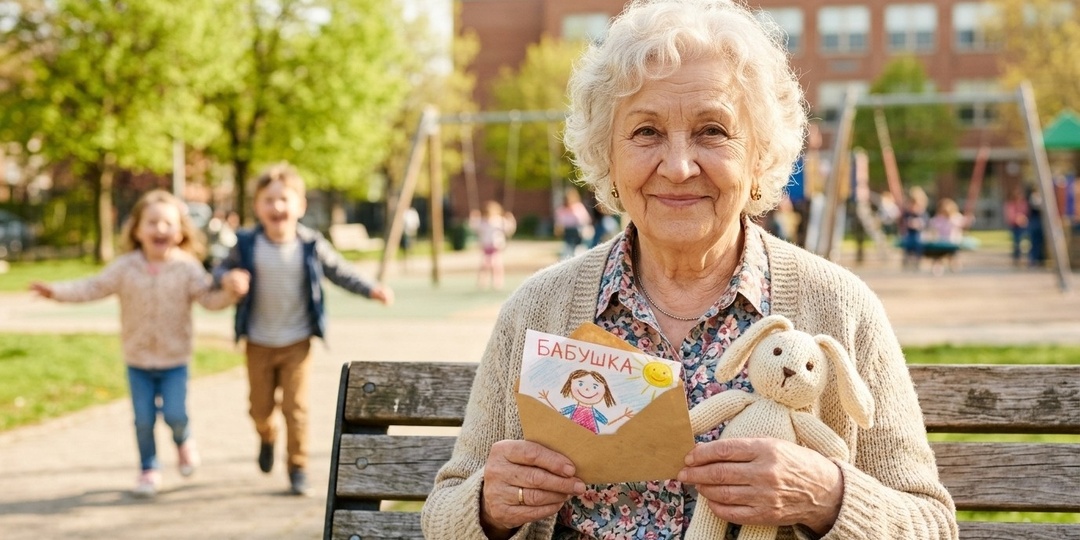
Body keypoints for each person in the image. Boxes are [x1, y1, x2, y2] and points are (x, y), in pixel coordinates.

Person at [420, 1, 957, 538]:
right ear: (608, 156)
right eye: (646, 132)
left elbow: (931, 524)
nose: (678, 167)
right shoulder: (537, 310)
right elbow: (444, 515)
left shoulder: (840, 307)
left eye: (712, 131)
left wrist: (824, 496)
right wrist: (489, 507)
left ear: (760, 155)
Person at [30, 190, 244, 498]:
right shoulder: (125, 267)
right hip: (138, 361)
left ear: (180, 231)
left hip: (174, 360)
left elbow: (209, 300)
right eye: (152, 222)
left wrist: (231, 294)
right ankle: (149, 468)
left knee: (175, 415)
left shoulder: (187, 268)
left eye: (168, 223)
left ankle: (183, 440)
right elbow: (92, 287)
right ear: (137, 230)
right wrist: (56, 292)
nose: (160, 229)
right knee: (143, 420)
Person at [214, 163, 394, 496]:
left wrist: (371, 288)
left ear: (301, 206)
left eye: (285, 199)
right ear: (257, 207)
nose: (277, 206)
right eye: (269, 200)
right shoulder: (247, 243)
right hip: (258, 341)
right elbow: (219, 269)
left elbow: (339, 270)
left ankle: (297, 467)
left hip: (297, 341)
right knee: (259, 408)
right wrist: (228, 278)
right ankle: (267, 435)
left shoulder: (310, 243)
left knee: (296, 407)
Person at [469, 200, 517, 290]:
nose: (489, 216)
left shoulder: (499, 221)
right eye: (487, 214)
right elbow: (474, 227)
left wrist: (511, 220)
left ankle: (498, 282)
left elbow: (509, 230)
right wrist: (474, 217)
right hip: (486, 246)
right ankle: (482, 281)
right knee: (484, 264)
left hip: (496, 246)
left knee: (496, 264)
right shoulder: (482, 222)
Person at [554, 188, 593, 260]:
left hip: (579, 232)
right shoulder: (562, 210)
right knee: (568, 251)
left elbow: (585, 220)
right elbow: (559, 224)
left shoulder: (578, 207)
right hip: (568, 233)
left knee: (579, 250)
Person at [899, 186, 930, 270]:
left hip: (919, 234)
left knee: (918, 241)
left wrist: (918, 224)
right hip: (909, 234)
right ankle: (907, 257)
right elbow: (903, 223)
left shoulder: (922, 214)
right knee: (908, 241)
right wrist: (907, 224)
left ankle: (917, 259)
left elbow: (926, 224)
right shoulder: (907, 213)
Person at [1003, 186, 1030, 266]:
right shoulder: (1010, 204)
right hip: (1015, 225)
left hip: (1024, 224)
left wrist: (1023, 219)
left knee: (1026, 239)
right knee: (1017, 241)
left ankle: (1026, 256)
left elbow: (1026, 212)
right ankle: (1017, 257)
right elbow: (1010, 215)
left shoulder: (1023, 203)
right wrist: (1016, 220)